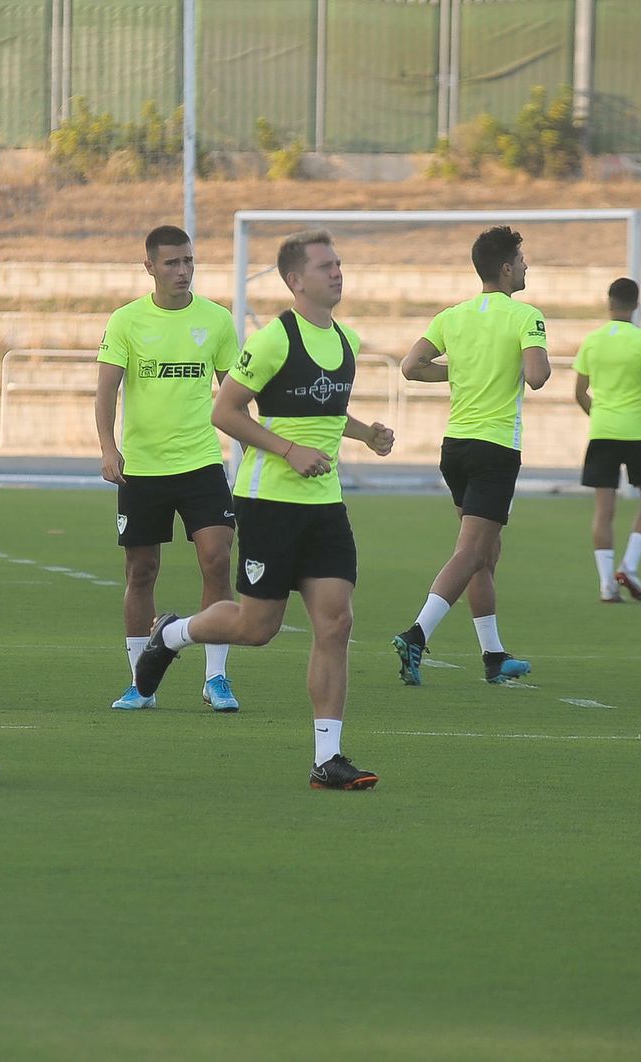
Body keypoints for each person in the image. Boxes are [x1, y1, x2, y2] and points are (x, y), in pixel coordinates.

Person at [131, 229, 395, 790]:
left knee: (336, 621)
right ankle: (172, 634)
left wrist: (365, 431)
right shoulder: (274, 338)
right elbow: (225, 412)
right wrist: (287, 451)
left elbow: (319, 408)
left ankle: (328, 758)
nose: (338, 273)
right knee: (257, 628)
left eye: (339, 264)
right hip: (269, 503)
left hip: (326, 507)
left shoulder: (345, 340)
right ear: (296, 280)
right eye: (326, 267)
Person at [393, 226, 550, 686]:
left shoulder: (452, 316)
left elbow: (410, 367)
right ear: (506, 268)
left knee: (487, 553)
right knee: (472, 551)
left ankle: (493, 655)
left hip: (455, 447)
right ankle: (417, 633)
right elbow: (538, 377)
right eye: (522, 261)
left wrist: (464, 370)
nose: (526, 267)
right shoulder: (525, 315)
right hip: (494, 448)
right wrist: (522, 361)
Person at [95, 224, 241, 712]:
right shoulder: (126, 321)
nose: (183, 271)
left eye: (188, 261)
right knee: (141, 570)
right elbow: (106, 391)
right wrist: (107, 448)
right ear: (150, 267)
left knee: (217, 558)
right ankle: (142, 683)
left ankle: (216, 677)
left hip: (201, 461)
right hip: (143, 468)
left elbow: (235, 392)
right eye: (172, 263)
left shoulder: (217, 320)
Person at [573, 277, 641, 603]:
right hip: (635, 431)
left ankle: (606, 585)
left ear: (608, 303)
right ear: (636, 304)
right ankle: (629, 565)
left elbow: (579, 392)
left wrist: (597, 416)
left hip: (602, 432)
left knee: (603, 511)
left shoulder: (592, 341)